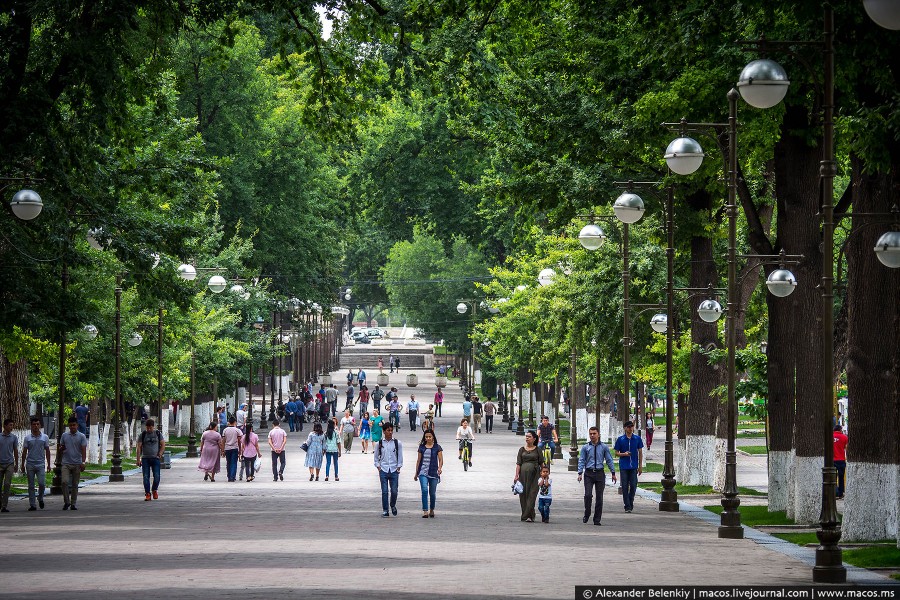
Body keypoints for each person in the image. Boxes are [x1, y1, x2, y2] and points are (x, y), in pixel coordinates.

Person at [577, 426, 617, 525]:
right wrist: (580, 473)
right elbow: (582, 460)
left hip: (599, 473)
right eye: (590, 434)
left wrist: (613, 473)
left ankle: (597, 519)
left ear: (598, 434)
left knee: (599, 497)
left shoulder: (604, 447)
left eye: (594, 433)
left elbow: (609, 460)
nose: (592, 435)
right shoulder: (586, 447)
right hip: (589, 473)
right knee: (588, 495)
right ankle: (587, 513)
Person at [374, 422, 403, 517]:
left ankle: (393, 505)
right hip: (384, 469)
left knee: (394, 491)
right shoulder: (379, 443)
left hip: (394, 469)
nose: (390, 432)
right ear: (384, 431)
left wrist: (399, 466)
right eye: (388, 430)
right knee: (385, 491)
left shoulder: (397, 443)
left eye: (391, 430)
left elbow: (400, 456)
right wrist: (378, 467)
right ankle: (385, 510)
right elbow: (376, 457)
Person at [21, 417, 51, 511]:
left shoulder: (45, 437)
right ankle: (32, 504)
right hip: (30, 464)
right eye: (34, 424)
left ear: (40, 425)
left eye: (37, 424)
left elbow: (47, 451)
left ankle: (40, 497)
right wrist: (22, 464)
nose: (36, 426)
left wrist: (49, 464)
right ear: (31, 426)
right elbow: (24, 452)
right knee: (31, 485)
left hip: (40, 464)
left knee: (42, 484)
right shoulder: (27, 438)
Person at [614, 420, 643, 513]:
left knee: (634, 486)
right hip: (624, 466)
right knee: (625, 486)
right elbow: (616, 453)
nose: (630, 428)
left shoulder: (637, 439)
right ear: (625, 428)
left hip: (634, 466)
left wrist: (640, 465)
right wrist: (624, 454)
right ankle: (627, 506)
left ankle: (630, 501)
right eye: (629, 427)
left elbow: (640, 452)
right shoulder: (620, 439)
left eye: (632, 426)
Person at [514, 431, 543, 522]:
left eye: (529, 437)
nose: (527, 438)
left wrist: (544, 475)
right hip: (523, 475)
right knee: (523, 495)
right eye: (526, 436)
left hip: (535, 475)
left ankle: (526, 516)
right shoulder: (521, 450)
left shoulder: (538, 450)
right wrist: (516, 475)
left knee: (532, 494)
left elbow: (542, 463)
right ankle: (529, 514)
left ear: (534, 439)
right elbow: (518, 464)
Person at [59, 416, 87, 510]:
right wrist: (61, 449)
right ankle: (66, 502)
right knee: (64, 482)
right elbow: (61, 447)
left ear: (77, 425)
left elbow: (83, 450)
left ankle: (73, 503)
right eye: (70, 425)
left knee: (75, 484)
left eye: (74, 425)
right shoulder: (64, 435)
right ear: (68, 426)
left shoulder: (82, 436)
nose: (72, 427)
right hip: (66, 463)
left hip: (77, 463)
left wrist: (83, 462)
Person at [414, 428, 443, 518]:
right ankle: (425, 511)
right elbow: (418, 460)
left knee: (432, 493)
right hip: (423, 472)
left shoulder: (437, 447)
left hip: (434, 472)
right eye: (426, 437)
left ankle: (432, 509)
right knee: (424, 490)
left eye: (430, 436)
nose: (428, 438)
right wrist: (416, 473)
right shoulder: (421, 447)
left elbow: (441, 459)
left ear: (433, 437)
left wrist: (439, 468)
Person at [136, 419, 165, 501]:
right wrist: (138, 459)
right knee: (146, 477)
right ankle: (147, 493)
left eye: (150, 428)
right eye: (147, 428)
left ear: (153, 426)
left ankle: (154, 490)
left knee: (157, 476)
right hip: (145, 459)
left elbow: (163, 444)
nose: (148, 429)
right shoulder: (143, 434)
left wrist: (160, 453)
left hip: (155, 459)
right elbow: (139, 447)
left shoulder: (158, 434)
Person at [0, 418, 20, 513]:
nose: (12, 427)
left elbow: (15, 451)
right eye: (10, 425)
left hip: (9, 463)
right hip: (0, 463)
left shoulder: (14, 438)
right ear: (5, 426)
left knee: (7, 484)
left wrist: (16, 463)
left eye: (12, 425)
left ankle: (4, 505)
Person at [222, 416, 242, 482]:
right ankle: (232, 477)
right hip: (234, 448)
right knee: (234, 463)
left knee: (228, 462)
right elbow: (239, 441)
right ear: (235, 422)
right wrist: (240, 449)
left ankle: (229, 476)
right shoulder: (237, 430)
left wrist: (222, 450)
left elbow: (223, 440)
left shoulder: (225, 430)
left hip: (227, 448)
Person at [833, 425, 849, 499]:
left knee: (832, 477)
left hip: (832, 460)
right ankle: (840, 493)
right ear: (840, 430)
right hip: (841, 460)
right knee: (841, 477)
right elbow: (846, 448)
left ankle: (834, 492)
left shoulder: (830, 437)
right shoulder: (844, 437)